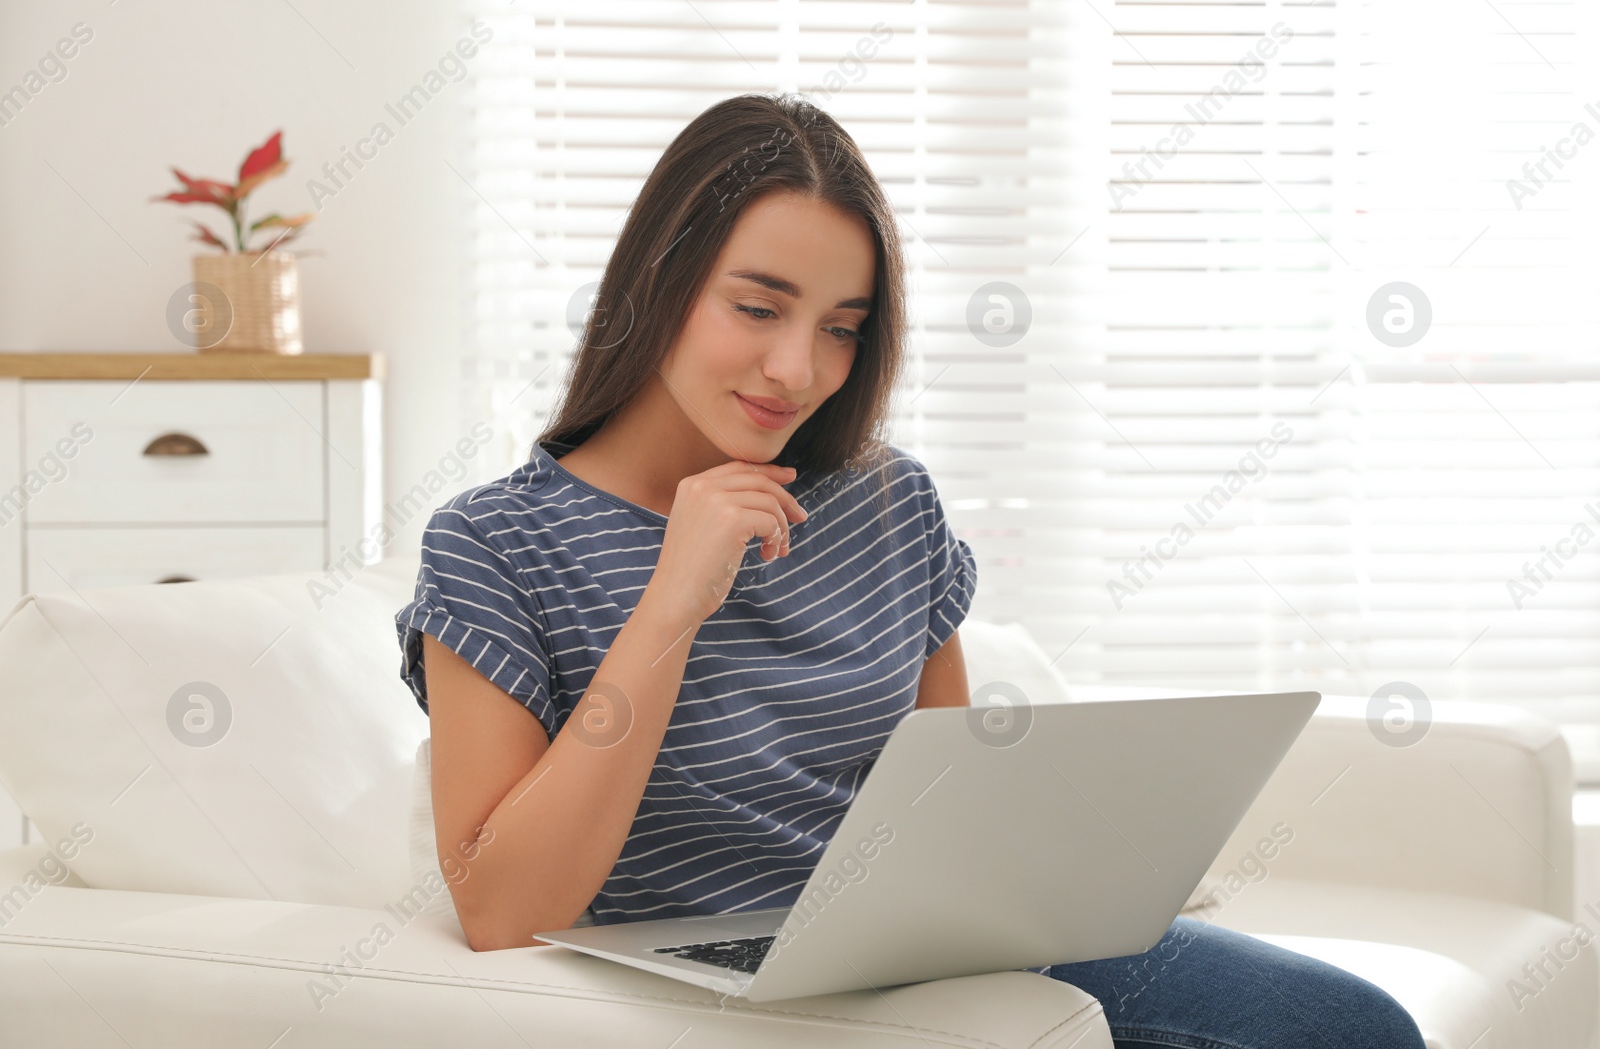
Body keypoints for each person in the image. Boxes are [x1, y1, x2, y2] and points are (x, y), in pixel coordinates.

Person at [394, 92, 1427, 1048]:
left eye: (840, 328)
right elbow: (502, 912)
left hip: (928, 953)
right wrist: (673, 598)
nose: (797, 369)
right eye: (757, 307)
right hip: (705, 982)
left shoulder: (888, 503)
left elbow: (949, 804)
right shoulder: (492, 544)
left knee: (1352, 1022)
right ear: (656, 284)